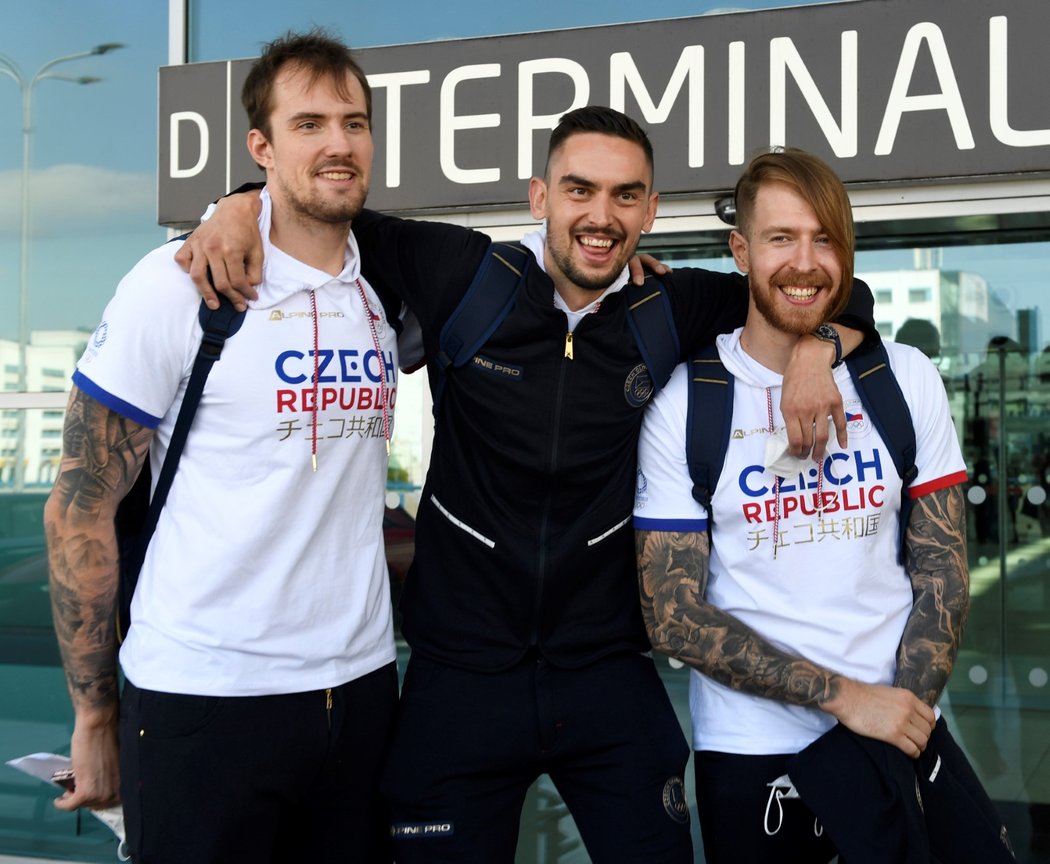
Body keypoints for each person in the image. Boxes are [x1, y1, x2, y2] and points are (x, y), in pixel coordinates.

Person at [178, 108, 876, 862]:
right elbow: (319, 206)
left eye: (625, 196)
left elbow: (831, 293)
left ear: (650, 210)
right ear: (540, 197)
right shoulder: (466, 274)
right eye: (580, 191)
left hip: (605, 673)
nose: (601, 217)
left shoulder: (668, 308)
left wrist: (816, 349)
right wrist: (238, 205)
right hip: (460, 678)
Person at [44, 31, 400, 863]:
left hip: (358, 692)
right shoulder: (178, 284)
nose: (339, 143)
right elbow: (78, 507)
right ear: (262, 147)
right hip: (203, 697)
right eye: (309, 124)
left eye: (354, 122)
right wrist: (94, 718)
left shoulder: (385, 286)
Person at [634, 147, 1015, 863]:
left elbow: (944, 572)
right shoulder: (687, 405)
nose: (804, 262)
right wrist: (846, 699)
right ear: (740, 250)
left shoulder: (904, 377)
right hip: (752, 756)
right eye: (781, 238)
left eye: (824, 239)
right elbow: (674, 616)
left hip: (898, 728)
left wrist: (896, 711)